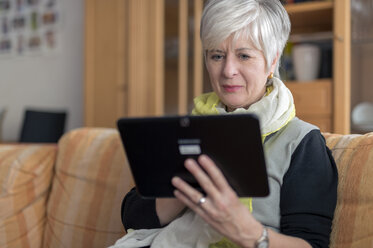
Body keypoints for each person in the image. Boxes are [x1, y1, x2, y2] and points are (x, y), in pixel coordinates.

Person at [114, 0, 338, 247]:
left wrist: (250, 233)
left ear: (272, 61)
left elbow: (311, 244)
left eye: (244, 55)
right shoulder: (186, 130)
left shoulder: (301, 142)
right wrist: (185, 189)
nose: (228, 70)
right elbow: (132, 216)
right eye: (217, 56)